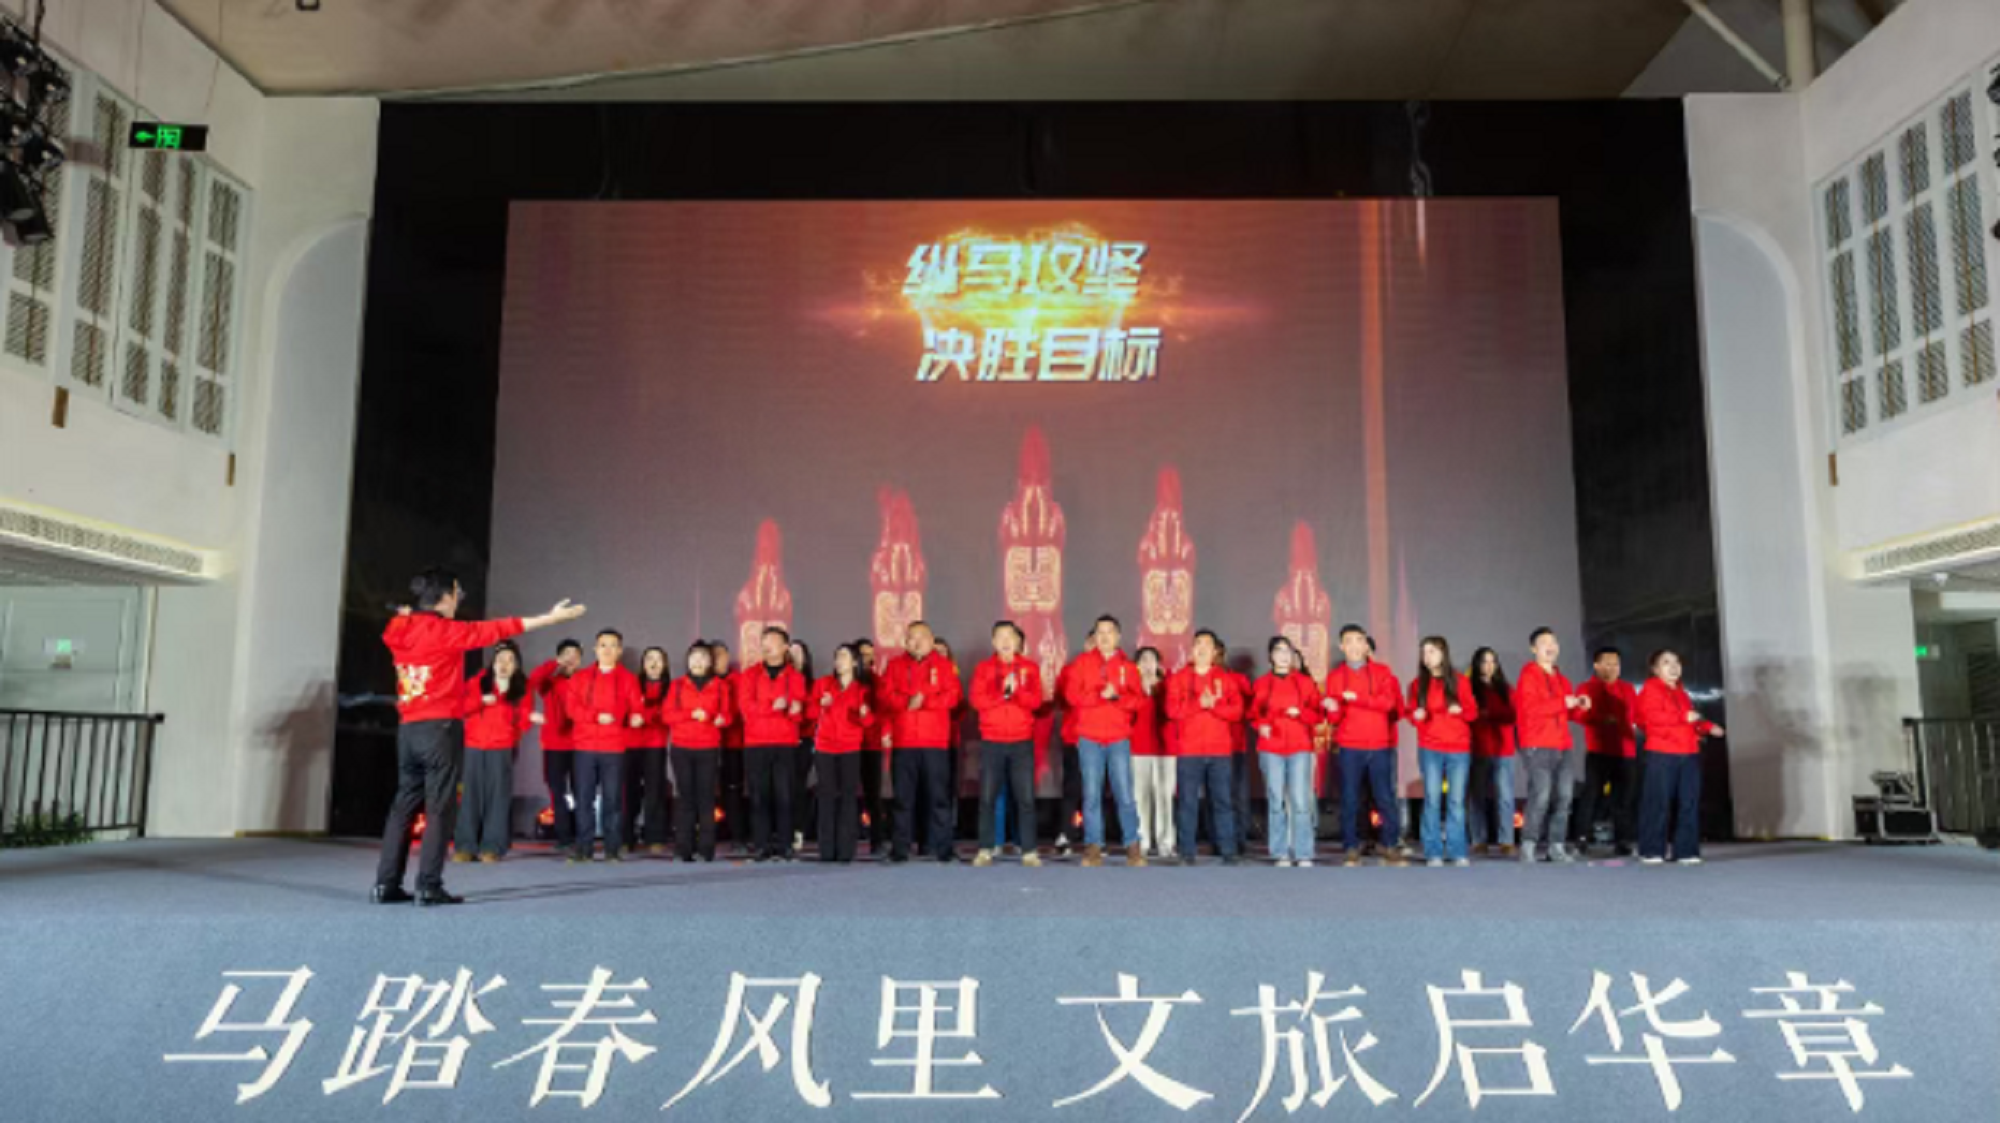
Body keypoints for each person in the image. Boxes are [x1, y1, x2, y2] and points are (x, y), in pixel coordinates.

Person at [373, 569, 585, 905]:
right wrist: (550, 618)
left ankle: (385, 884)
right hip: (440, 728)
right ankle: (428, 885)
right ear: (445, 597)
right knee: (439, 807)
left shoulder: (398, 628)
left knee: (404, 805)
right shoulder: (448, 632)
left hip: (409, 729)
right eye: (457, 594)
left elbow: (399, 624)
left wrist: (408, 615)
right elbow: (501, 629)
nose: (459, 601)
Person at [1063, 615, 1146, 868]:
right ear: (1094, 637)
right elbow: (1071, 696)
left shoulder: (1128, 667)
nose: (1105, 636)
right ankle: (1093, 846)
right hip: (1089, 737)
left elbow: (1138, 701)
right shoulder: (1082, 663)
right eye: (1100, 632)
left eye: (1109, 632)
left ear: (1118, 636)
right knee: (1091, 794)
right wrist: (1099, 695)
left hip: (1118, 738)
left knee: (1125, 794)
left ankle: (1132, 845)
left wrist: (1117, 697)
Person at [879, 621, 963, 862]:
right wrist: (907, 702)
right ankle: (900, 849)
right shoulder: (895, 665)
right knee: (902, 799)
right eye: (911, 638)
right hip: (904, 741)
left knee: (939, 798)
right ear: (905, 642)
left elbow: (953, 696)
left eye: (921, 637)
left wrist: (925, 701)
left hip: (934, 742)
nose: (916, 642)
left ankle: (943, 848)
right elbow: (885, 696)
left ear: (931, 640)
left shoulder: (944, 666)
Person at [1324, 625, 1405, 867]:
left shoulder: (1382, 672)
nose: (1354, 646)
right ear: (1342, 646)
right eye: (1349, 641)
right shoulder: (1335, 677)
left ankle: (1390, 844)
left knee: (1384, 796)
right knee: (1350, 798)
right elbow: (1335, 719)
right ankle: (1351, 846)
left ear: (1366, 645)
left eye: (1359, 640)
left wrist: (1357, 699)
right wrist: (1332, 708)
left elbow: (1388, 703)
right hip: (1350, 745)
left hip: (1379, 744)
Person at [1635, 649, 1724, 865]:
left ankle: (1686, 850)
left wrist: (1706, 727)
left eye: (1677, 662)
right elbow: (1650, 718)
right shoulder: (1650, 689)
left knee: (1689, 802)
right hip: (1662, 752)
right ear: (1655, 669)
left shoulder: (1682, 693)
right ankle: (1651, 850)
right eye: (1666, 662)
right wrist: (1682, 716)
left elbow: (1691, 722)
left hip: (1689, 752)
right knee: (1658, 802)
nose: (1674, 666)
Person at [565, 629, 647, 863]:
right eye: (603, 645)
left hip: (614, 747)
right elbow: (571, 709)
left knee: (613, 800)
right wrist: (595, 717)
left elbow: (637, 709)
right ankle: (584, 849)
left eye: (612, 645)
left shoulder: (628, 679)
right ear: (595, 649)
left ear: (619, 650)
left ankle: (612, 849)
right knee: (584, 800)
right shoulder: (580, 678)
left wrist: (637, 717)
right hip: (585, 746)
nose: (607, 650)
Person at [454, 640, 537, 863]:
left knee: (498, 798)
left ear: (516, 665)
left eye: (510, 660)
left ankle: (492, 847)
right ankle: (465, 846)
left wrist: (524, 722)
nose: (504, 664)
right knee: (470, 796)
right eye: (501, 659)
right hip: (474, 745)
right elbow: (461, 708)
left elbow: (524, 719)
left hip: (502, 747)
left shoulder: (522, 687)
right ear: (493, 662)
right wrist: (480, 700)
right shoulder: (478, 682)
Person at [1168, 630, 1244, 865]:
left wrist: (1214, 706)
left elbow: (1237, 711)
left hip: (1219, 751)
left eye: (1207, 645)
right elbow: (1172, 710)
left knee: (1223, 802)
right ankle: (1186, 852)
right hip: (1189, 750)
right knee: (1187, 803)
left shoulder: (1226, 679)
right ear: (1192, 650)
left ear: (1215, 652)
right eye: (1197, 644)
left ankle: (1228, 850)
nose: (1201, 649)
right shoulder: (1180, 678)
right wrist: (1198, 704)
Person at [971, 621, 1044, 867]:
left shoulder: (1030, 668)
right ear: (993, 642)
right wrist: (1002, 694)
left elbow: (1036, 701)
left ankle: (1029, 850)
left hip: (1021, 740)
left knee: (1025, 798)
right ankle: (985, 848)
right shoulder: (984, 668)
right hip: (992, 740)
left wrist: (1016, 692)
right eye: (1000, 637)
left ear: (1018, 641)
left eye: (1010, 636)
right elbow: (977, 701)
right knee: (987, 797)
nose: (1005, 641)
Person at [1515, 626, 1590, 864]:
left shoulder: (1562, 680)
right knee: (1541, 795)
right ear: (1533, 649)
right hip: (1537, 744)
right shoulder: (1528, 676)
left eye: (1554, 642)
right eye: (1544, 642)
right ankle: (1528, 845)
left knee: (1565, 797)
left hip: (1562, 745)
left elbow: (1569, 714)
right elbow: (1531, 709)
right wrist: (1562, 703)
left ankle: (1556, 846)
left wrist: (1580, 707)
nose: (1551, 647)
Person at [737, 627, 807, 862]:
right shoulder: (750, 675)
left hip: (785, 743)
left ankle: (785, 845)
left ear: (785, 647)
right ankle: (761, 844)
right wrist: (772, 706)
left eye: (773, 641)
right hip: (756, 743)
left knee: (785, 796)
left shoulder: (795, 677)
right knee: (759, 796)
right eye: (764, 641)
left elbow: (799, 715)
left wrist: (794, 709)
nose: (766, 646)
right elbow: (746, 708)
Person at [1253, 636, 1322, 867]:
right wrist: (1261, 724)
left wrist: (1300, 713)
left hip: (1299, 746)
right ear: (1271, 656)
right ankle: (1279, 852)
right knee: (1276, 800)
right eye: (1278, 651)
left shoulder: (1304, 683)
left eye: (1287, 651)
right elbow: (1253, 713)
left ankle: (1303, 852)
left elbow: (1318, 714)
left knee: (1300, 801)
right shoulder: (1262, 683)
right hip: (1271, 747)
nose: (1283, 655)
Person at [1409, 636, 1477, 868]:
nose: (1427, 656)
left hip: (1458, 748)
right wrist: (1416, 716)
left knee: (1456, 801)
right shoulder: (1418, 684)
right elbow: (1412, 713)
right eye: (1424, 652)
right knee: (1432, 799)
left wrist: (1460, 710)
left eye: (1432, 651)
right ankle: (1433, 851)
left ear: (1443, 653)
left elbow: (1472, 712)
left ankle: (1457, 851)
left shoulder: (1460, 681)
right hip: (1430, 747)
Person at [664, 641, 732, 862]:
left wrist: (716, 718)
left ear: (710, 661)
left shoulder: (720, 686)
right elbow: (667, 715)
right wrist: (691, 714)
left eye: (703, 657)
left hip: (708, 747)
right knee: (685, 797)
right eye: (694, 657)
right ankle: (683, 848)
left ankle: (706, 848)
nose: (698, 661)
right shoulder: (677, 685)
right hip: (681, 747)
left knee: (706, 798)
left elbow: (727, 716)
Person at [809, 644, 872, 864]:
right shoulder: (823, 684)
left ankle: (846, 850)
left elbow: (869, 722)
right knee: (826, 796)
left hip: (849, 747)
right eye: (837, 657)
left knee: (848, 797)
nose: (839, 661)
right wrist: (821, 704)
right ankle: (826, 849)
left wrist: (863, 714)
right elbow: (809, 713)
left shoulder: (862, 690)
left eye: (844, 656)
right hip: (825, 746)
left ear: (854, 662)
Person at [1575, 646, 1640, 856]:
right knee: (1591, 795)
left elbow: (1638, 716)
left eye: (1616, 664)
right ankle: (1581, 837)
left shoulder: (1628, 689)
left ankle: (1623, 840)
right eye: (1607, 663)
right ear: (1596, 665)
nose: (1612, 668)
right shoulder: (1586, 688)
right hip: (1599, 751)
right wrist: (1601, 719)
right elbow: (1577, 715)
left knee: (1624, 798)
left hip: (1626, 752)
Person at [528, 639, 584, 853]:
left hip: (580, 744)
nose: (571, 659)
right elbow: (534, 679)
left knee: (582, 792)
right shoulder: (549, 682)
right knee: (557, 792)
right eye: (567, 654)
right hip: (554, 745)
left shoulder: (585, 680)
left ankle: (583, 835)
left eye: (575, 655)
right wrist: (555, 663)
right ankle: (563, 837)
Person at [1467, 647, 1518, 856]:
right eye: (1484, 661)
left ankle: (1506, 840)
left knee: (1505, 796)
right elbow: (1469, 715)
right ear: (1476, 664)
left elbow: (1513, 714)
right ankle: (1479, 839)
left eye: (1492, 662)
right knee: (1476, 797)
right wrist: (1485, 715)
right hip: (1478, 748)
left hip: (1503, 749)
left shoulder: (1506, 689)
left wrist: (1490, 714)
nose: (1489, 666)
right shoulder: (1469, 688)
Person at [623, 646, 673, 856]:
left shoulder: (671, 688)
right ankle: (626, 837)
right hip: (631, 743)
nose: (654, 663)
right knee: (628, 792)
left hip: (655, 744)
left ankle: (655, 837)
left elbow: (668, 713)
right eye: (649, 658)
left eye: (658, 659)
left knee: (655, 792)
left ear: (665, 664)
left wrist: (646, 716)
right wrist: (632, 717)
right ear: (643, 664)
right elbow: (623, 709)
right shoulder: (631, 685)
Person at [1129, 646, 1176, 861]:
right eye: (1143, 660)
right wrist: (1142, 690)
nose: (1147, 664)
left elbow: (1171, 712)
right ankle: (1143, 841)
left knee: (1164, 796)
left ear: (1158, 664)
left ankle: (1166, 842)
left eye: (1151, 660)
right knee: (1140, 797)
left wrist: (1154, 689)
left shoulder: (1167, 685)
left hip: (1164, 748)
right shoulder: (1131, 688)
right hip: (1138, 748)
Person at [855, 637, 892, 854]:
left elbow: (885, 712)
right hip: (848, 743)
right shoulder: (845, 681)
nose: (867, 659)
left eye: (870, 655)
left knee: (873, 794)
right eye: (863, 654)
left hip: (871, 743)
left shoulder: (878, 682)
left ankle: (877, 840)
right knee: (847, 793)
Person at [713, 642, 750, 856]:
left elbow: (740, 710)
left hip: (734, 743)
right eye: (713, 656)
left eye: (721, 655)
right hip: (708, 744)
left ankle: (738, 836)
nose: (718, 660)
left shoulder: (739, 680)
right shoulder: (705, 682)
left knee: (733, 790)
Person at [1053, 659, 1085, 859]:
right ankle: (1066, 834)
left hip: (1104, 740)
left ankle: (1094, 839)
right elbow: (1061, 699)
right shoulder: (1071, 670)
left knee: (1096, 791)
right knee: (1072, 788)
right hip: (1074, 738)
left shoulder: (1116, 667)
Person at [789, 639, 817, 854]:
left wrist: (799, 715)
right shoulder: (781, 679)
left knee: (798, 785)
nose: (795, 656)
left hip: (803, 739)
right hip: (781, 739)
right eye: (791, 652)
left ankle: (798, 829)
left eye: (799, 652)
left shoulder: (812, 684)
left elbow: (813, 713)